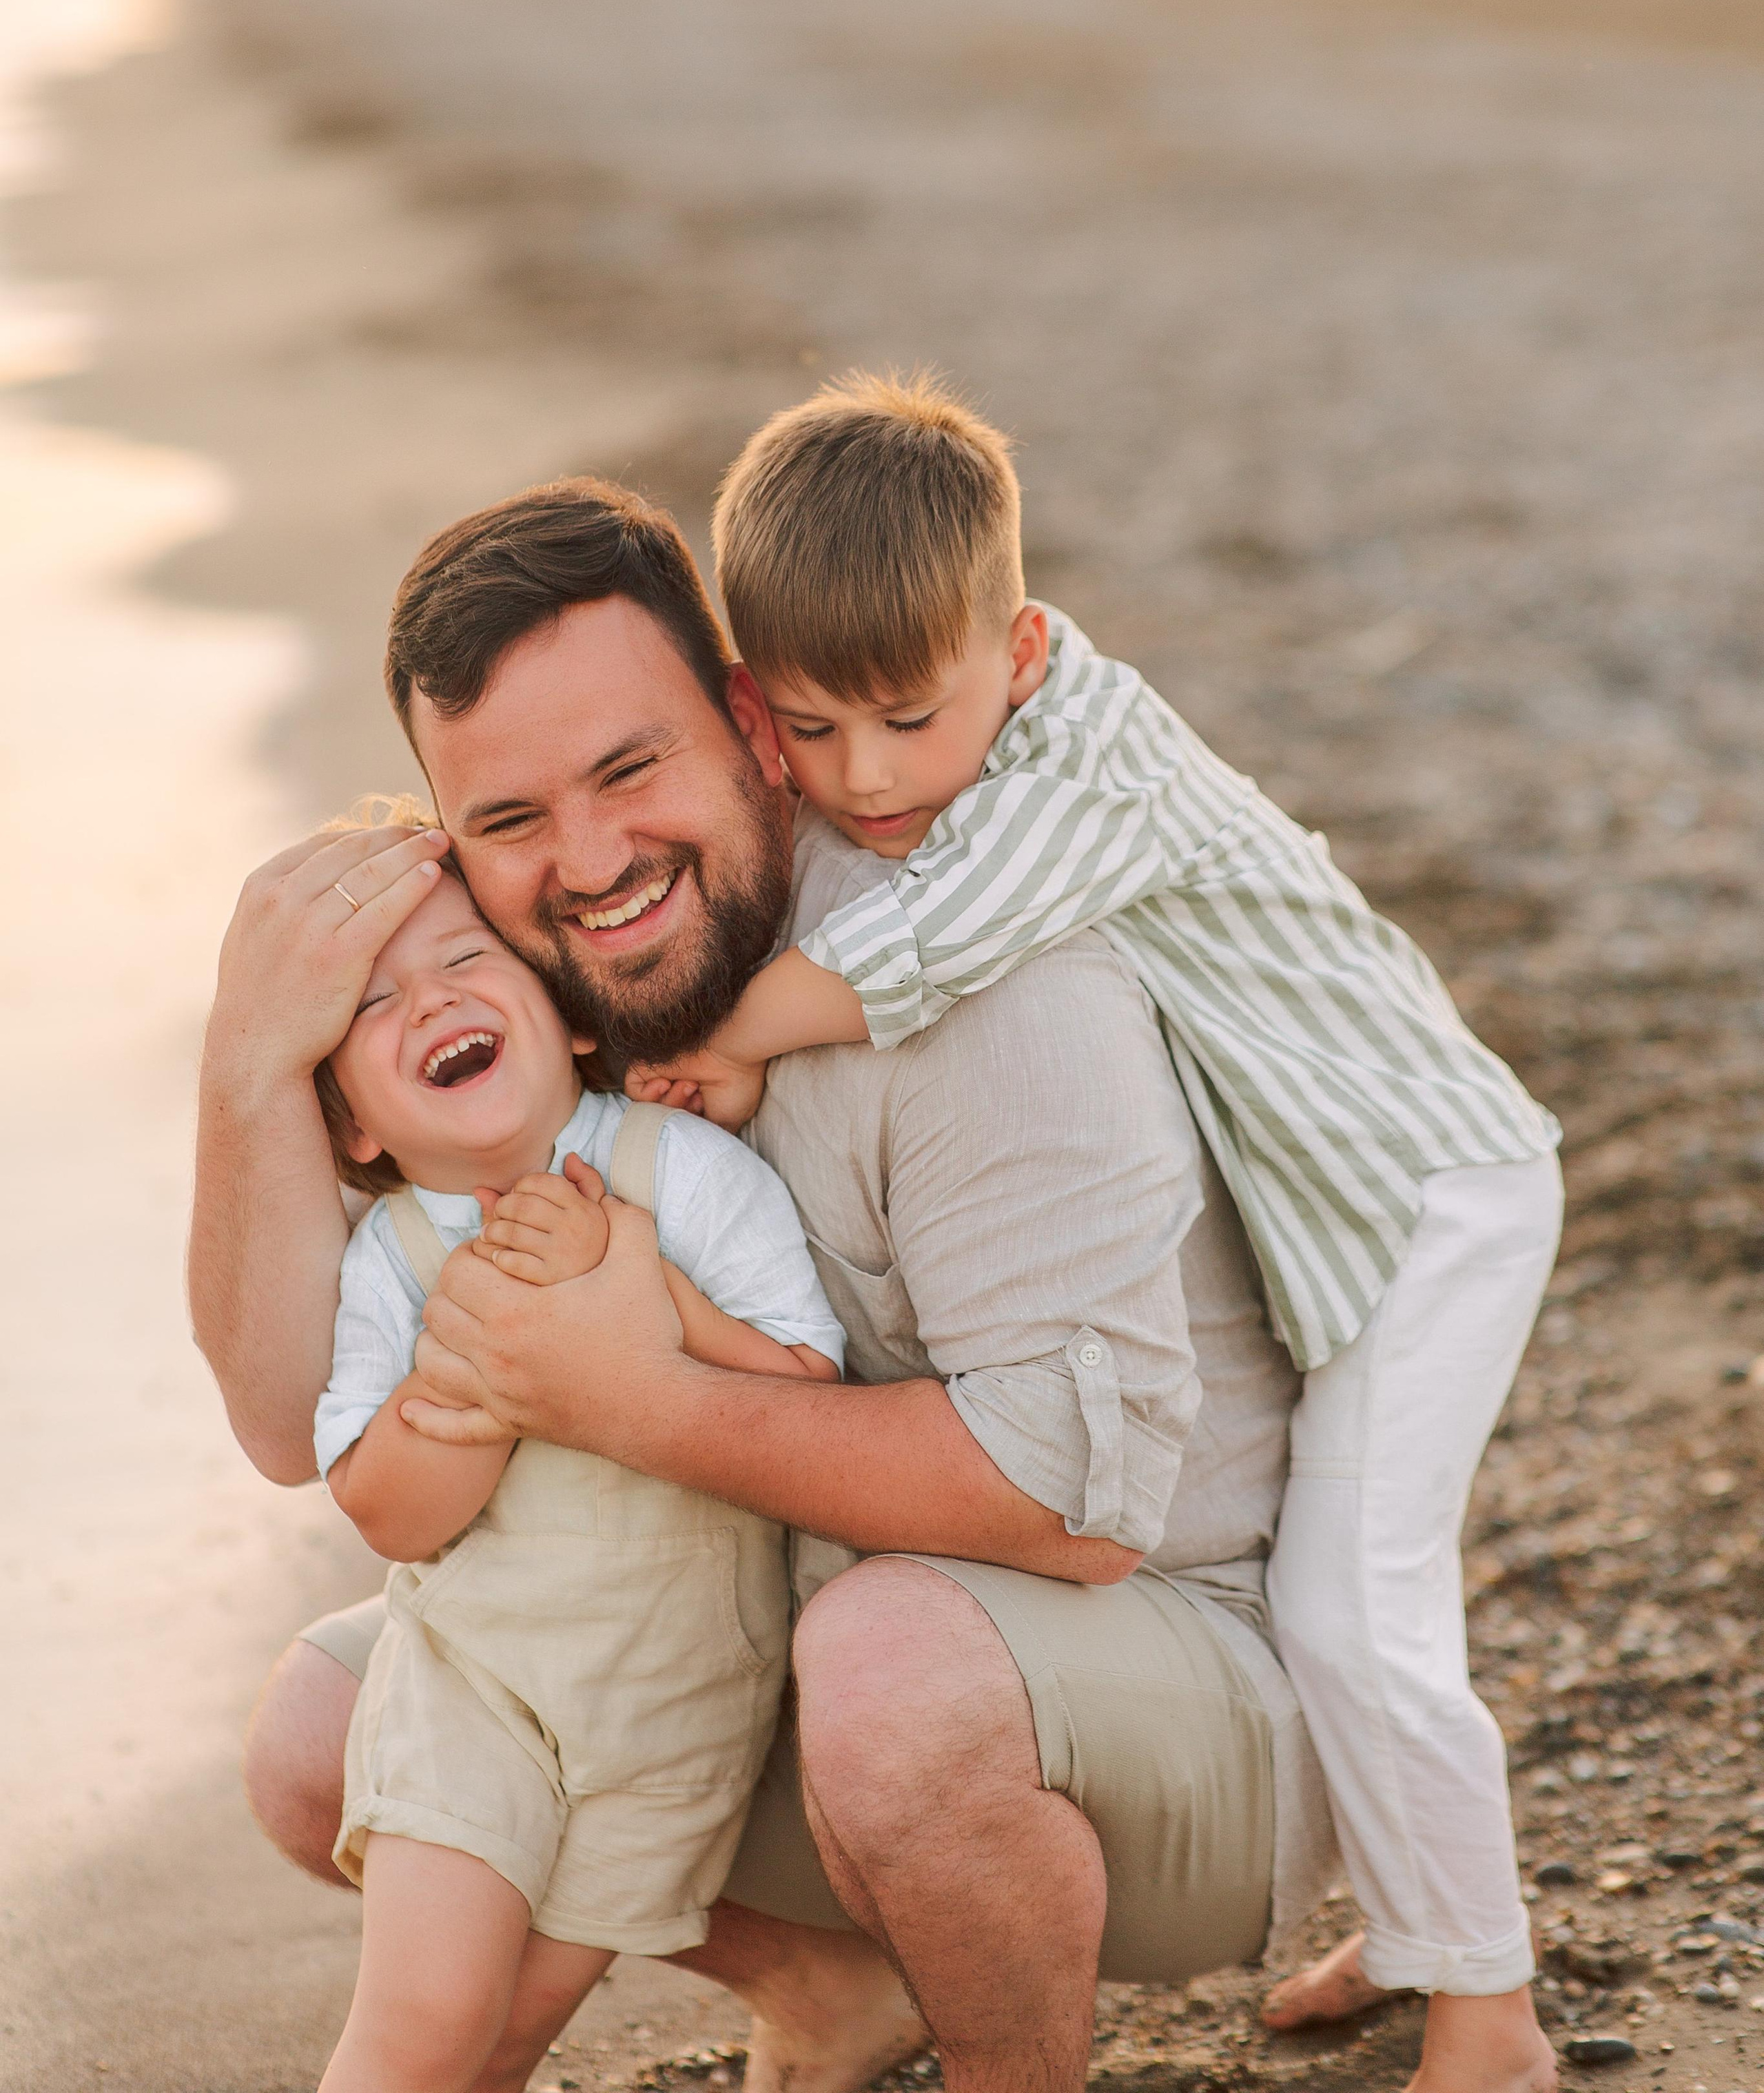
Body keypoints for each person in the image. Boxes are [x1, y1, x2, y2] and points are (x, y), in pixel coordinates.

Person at [189, 473, 1550, 2093]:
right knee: (328, 1734)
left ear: (751, 727)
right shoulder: (539, 988)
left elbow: (1074, 1508)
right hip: (803, 1637)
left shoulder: (983, 968)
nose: (592, 858)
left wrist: (638, 1397)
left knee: (891, 1674)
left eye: (632, 770)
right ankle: (831, 1987)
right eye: (511, 821)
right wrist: (249, 1069)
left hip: (1178, 1686)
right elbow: (295, 1427)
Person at [628, 371, 1564, 2056]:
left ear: (1026, 651)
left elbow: (953, 934)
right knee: (1360, 1581)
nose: (866, 777)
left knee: (1355, 1596)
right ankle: (1430, 1923)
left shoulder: (1090, 764)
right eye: (810, 730)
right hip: (1336, 1189)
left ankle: (1490, 2014)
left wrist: (743, 1031)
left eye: (912, 718)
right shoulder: (943, 751)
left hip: (1426, 1194)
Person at [306, 834, 842, 2093]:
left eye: (464, 960)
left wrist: (647, 1294)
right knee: (426, 2023)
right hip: (476, 1693)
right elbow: (391, 1518)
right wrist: (485, 1355)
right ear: (354, 1126)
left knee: (499, 2047)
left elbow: (808, 1402)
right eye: (373, 1004)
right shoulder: (392, 1256)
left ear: (573, 1019)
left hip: (673, 1716)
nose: (428, 1000)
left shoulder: (686, 1177)